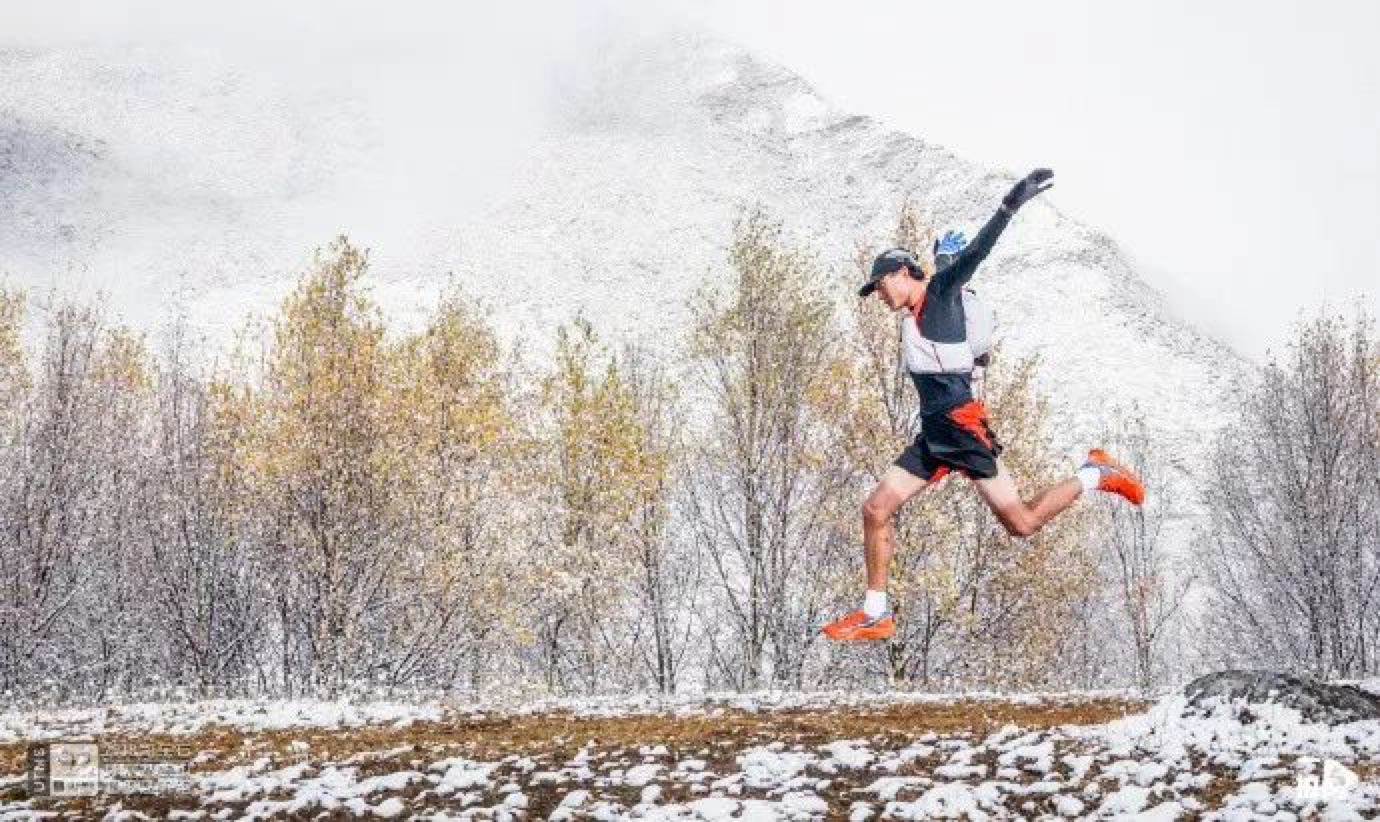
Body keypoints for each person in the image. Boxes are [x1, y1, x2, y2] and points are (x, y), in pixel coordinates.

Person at [822, 169, 1144, 642]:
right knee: (875, 509)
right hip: (933, 434)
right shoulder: (915, 313)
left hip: (960, 428)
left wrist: (1009, 208)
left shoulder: (941, 293)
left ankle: (1096, 473)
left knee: (1022, 523)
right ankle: (876, 614)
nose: (879, 296)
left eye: (880, 285)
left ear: (900, 273)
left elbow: (974, 255)